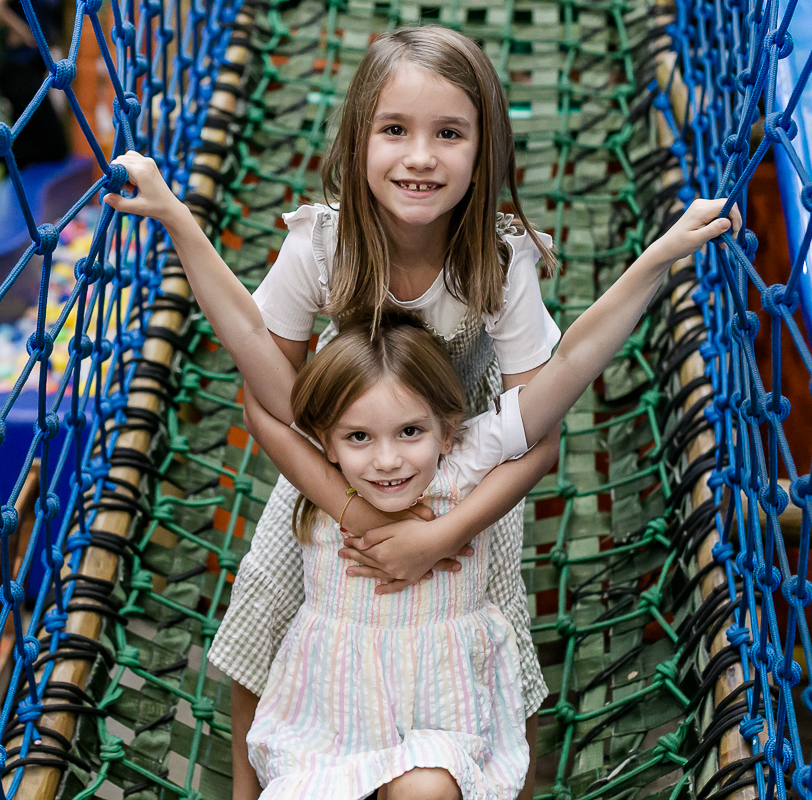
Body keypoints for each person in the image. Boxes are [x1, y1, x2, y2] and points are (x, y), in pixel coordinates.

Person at [102, 146, 739, 799]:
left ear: (442, 427)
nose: (386, 459)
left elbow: (570, 365)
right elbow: (250, 340)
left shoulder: (465, 452)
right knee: (264, 595)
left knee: (462, 716)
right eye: (361, 440)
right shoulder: (336, 451)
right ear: (327, 438)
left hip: (443, 705)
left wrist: (660, 257)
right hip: (330, 713)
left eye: (408, 434)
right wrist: (177, 218)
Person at [209, 28, 567, 799]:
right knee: (265, 596)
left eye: (450, 133)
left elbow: (538, 443)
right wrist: (346, 509)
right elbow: (265, 401)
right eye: (395, 130)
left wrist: (441, 534)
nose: (420, 157)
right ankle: (254, 782)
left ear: (485, 150)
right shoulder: (323, 245)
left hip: (464, 470)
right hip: (335, 465)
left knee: (501, 625)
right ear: (358, 139)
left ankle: (496, 779)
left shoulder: (499, 265)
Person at [0, 0, 69, 170]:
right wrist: (21, 30)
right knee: (55, 146)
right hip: (19, 70)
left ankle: (4, 167)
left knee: (28, 136)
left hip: (34, 67)